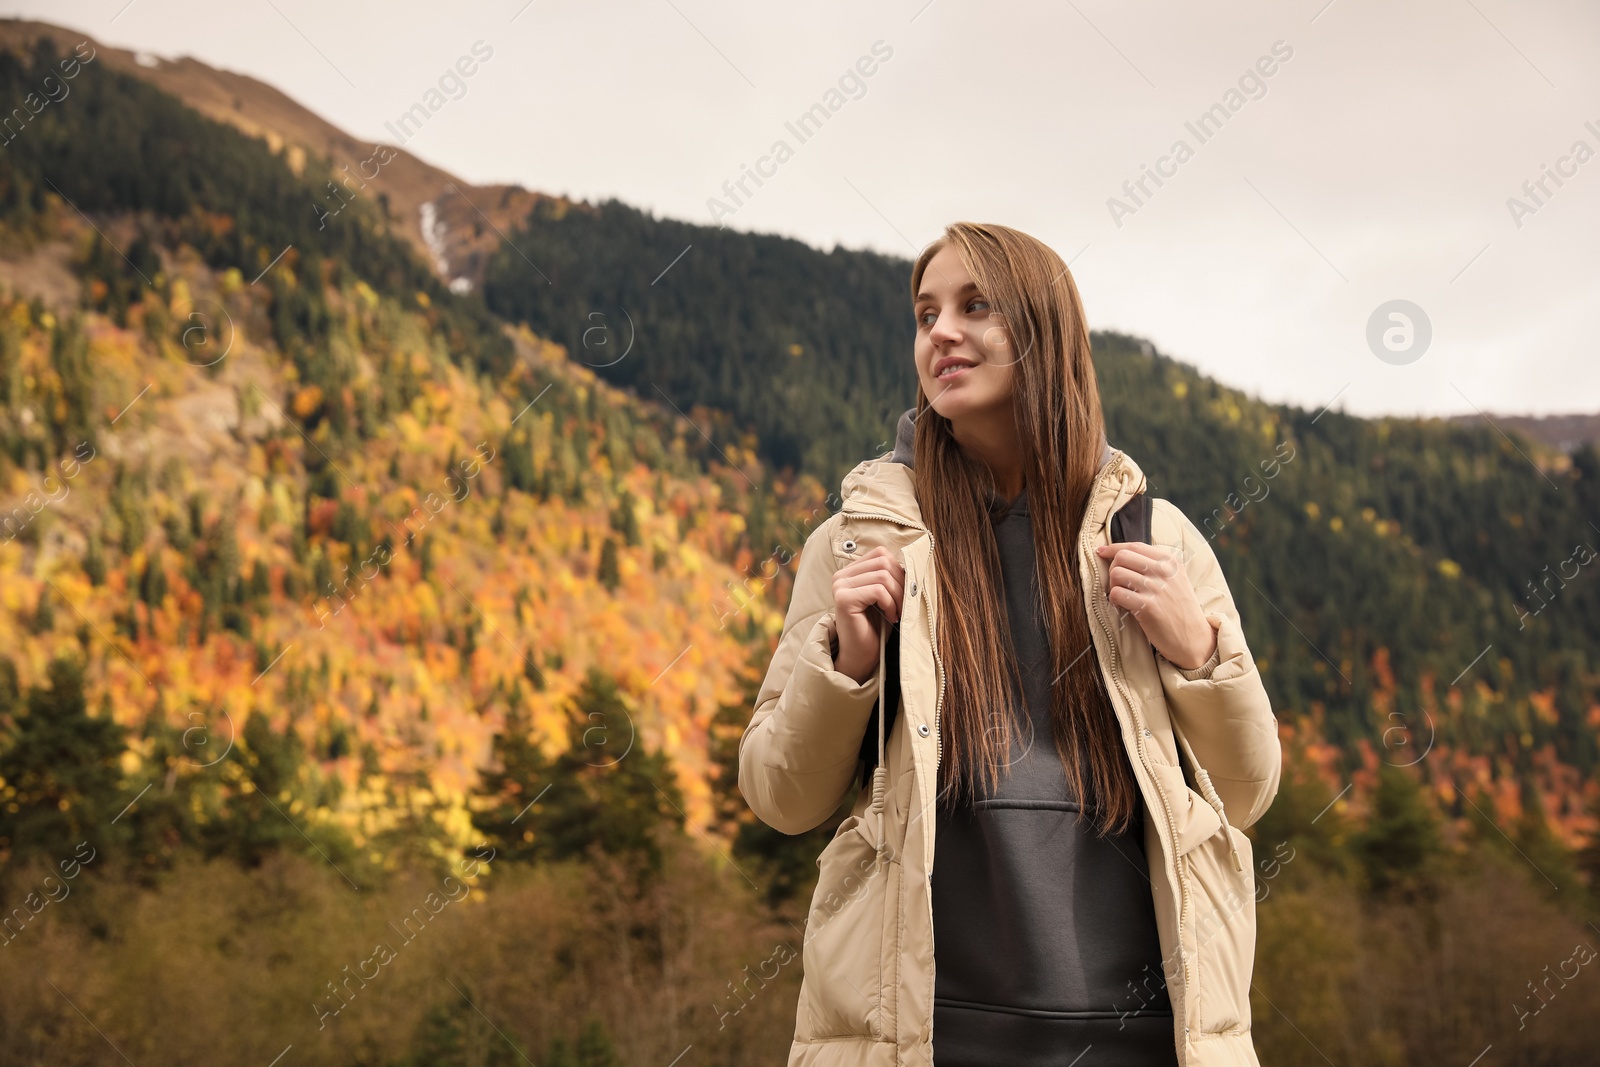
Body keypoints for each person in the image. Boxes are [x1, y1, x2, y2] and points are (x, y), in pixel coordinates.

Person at [739, 221, 1281, 1066]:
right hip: (925, 1042)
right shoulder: (856, 547)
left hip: (1144, 1041)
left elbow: (1247, 791)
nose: (941, 332)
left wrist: (1197, 650)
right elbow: (781, 796)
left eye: (975, 306)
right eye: (925, 315)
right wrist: (844, 663)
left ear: (1045, 333)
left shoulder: (1157, 542)